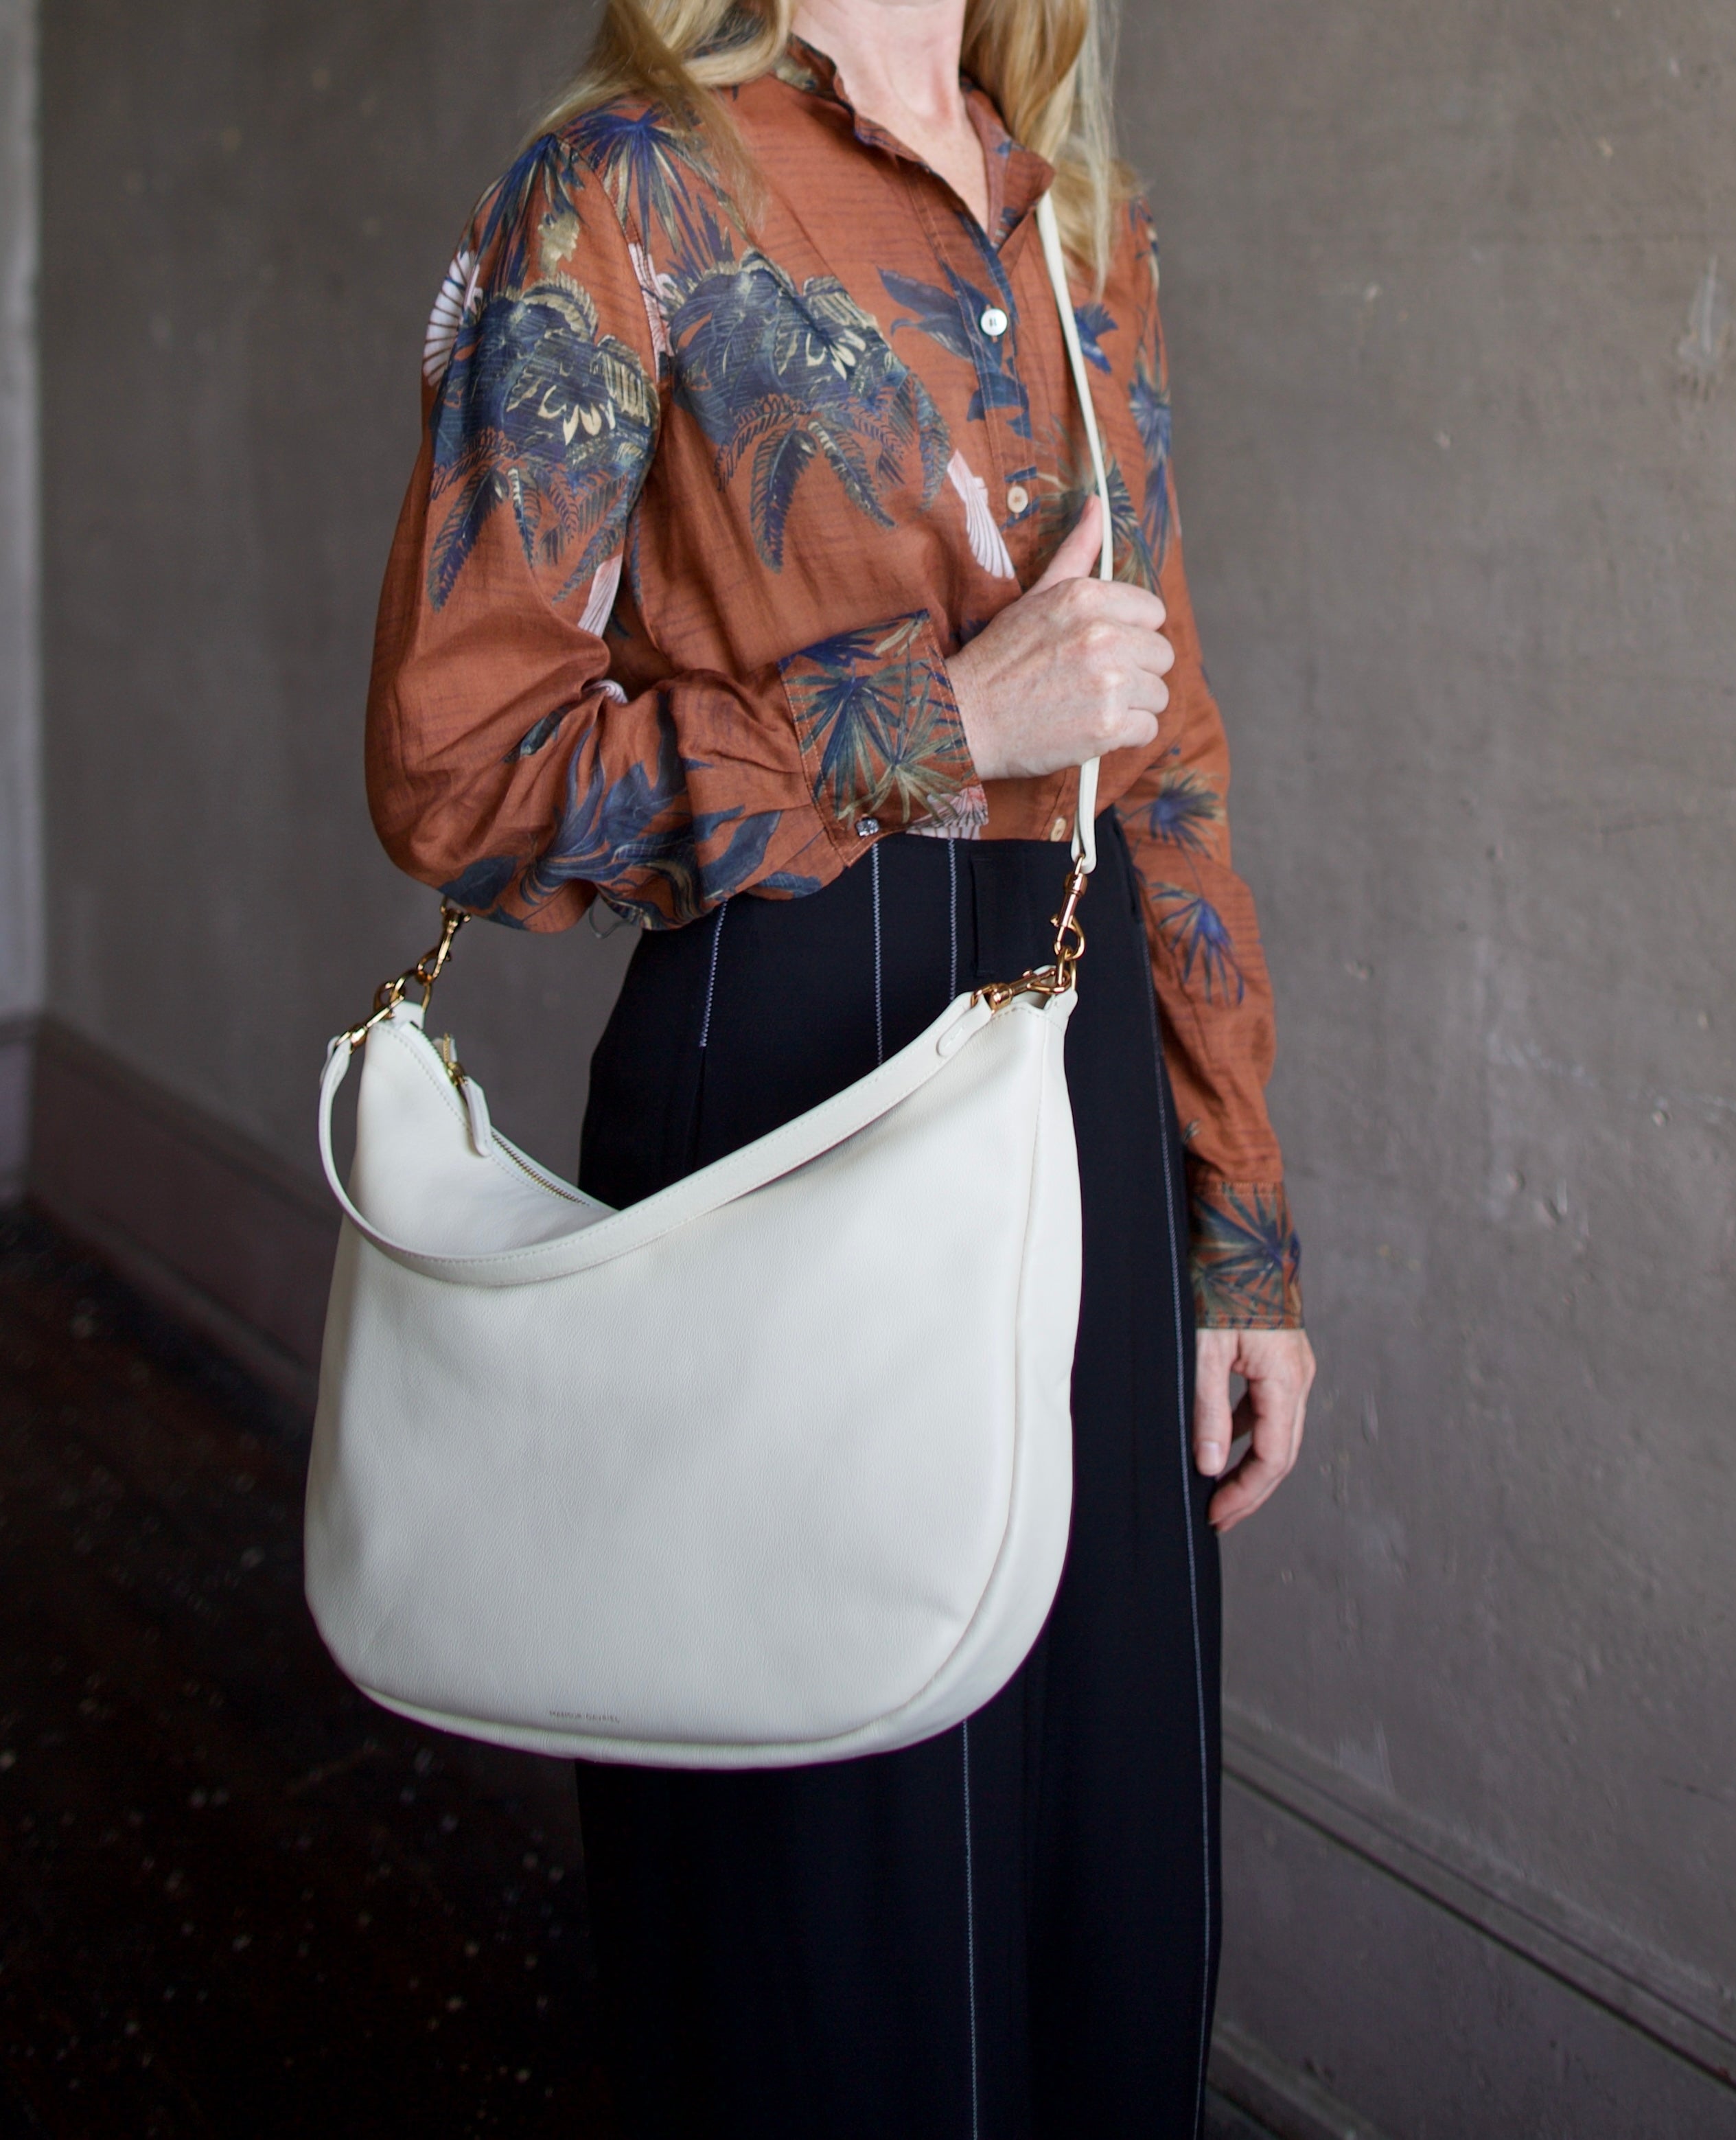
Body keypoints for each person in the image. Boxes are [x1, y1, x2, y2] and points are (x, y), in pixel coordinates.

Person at [366, 0, 1315, 2128]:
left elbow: (1158, 758)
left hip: (1079, 1093)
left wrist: (1235, 1229)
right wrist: (938, 720)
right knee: (827, 1944)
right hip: (776, 1076)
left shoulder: (1075, 220)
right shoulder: (626, 189)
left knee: (1100, 1905)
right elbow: (457, 770)